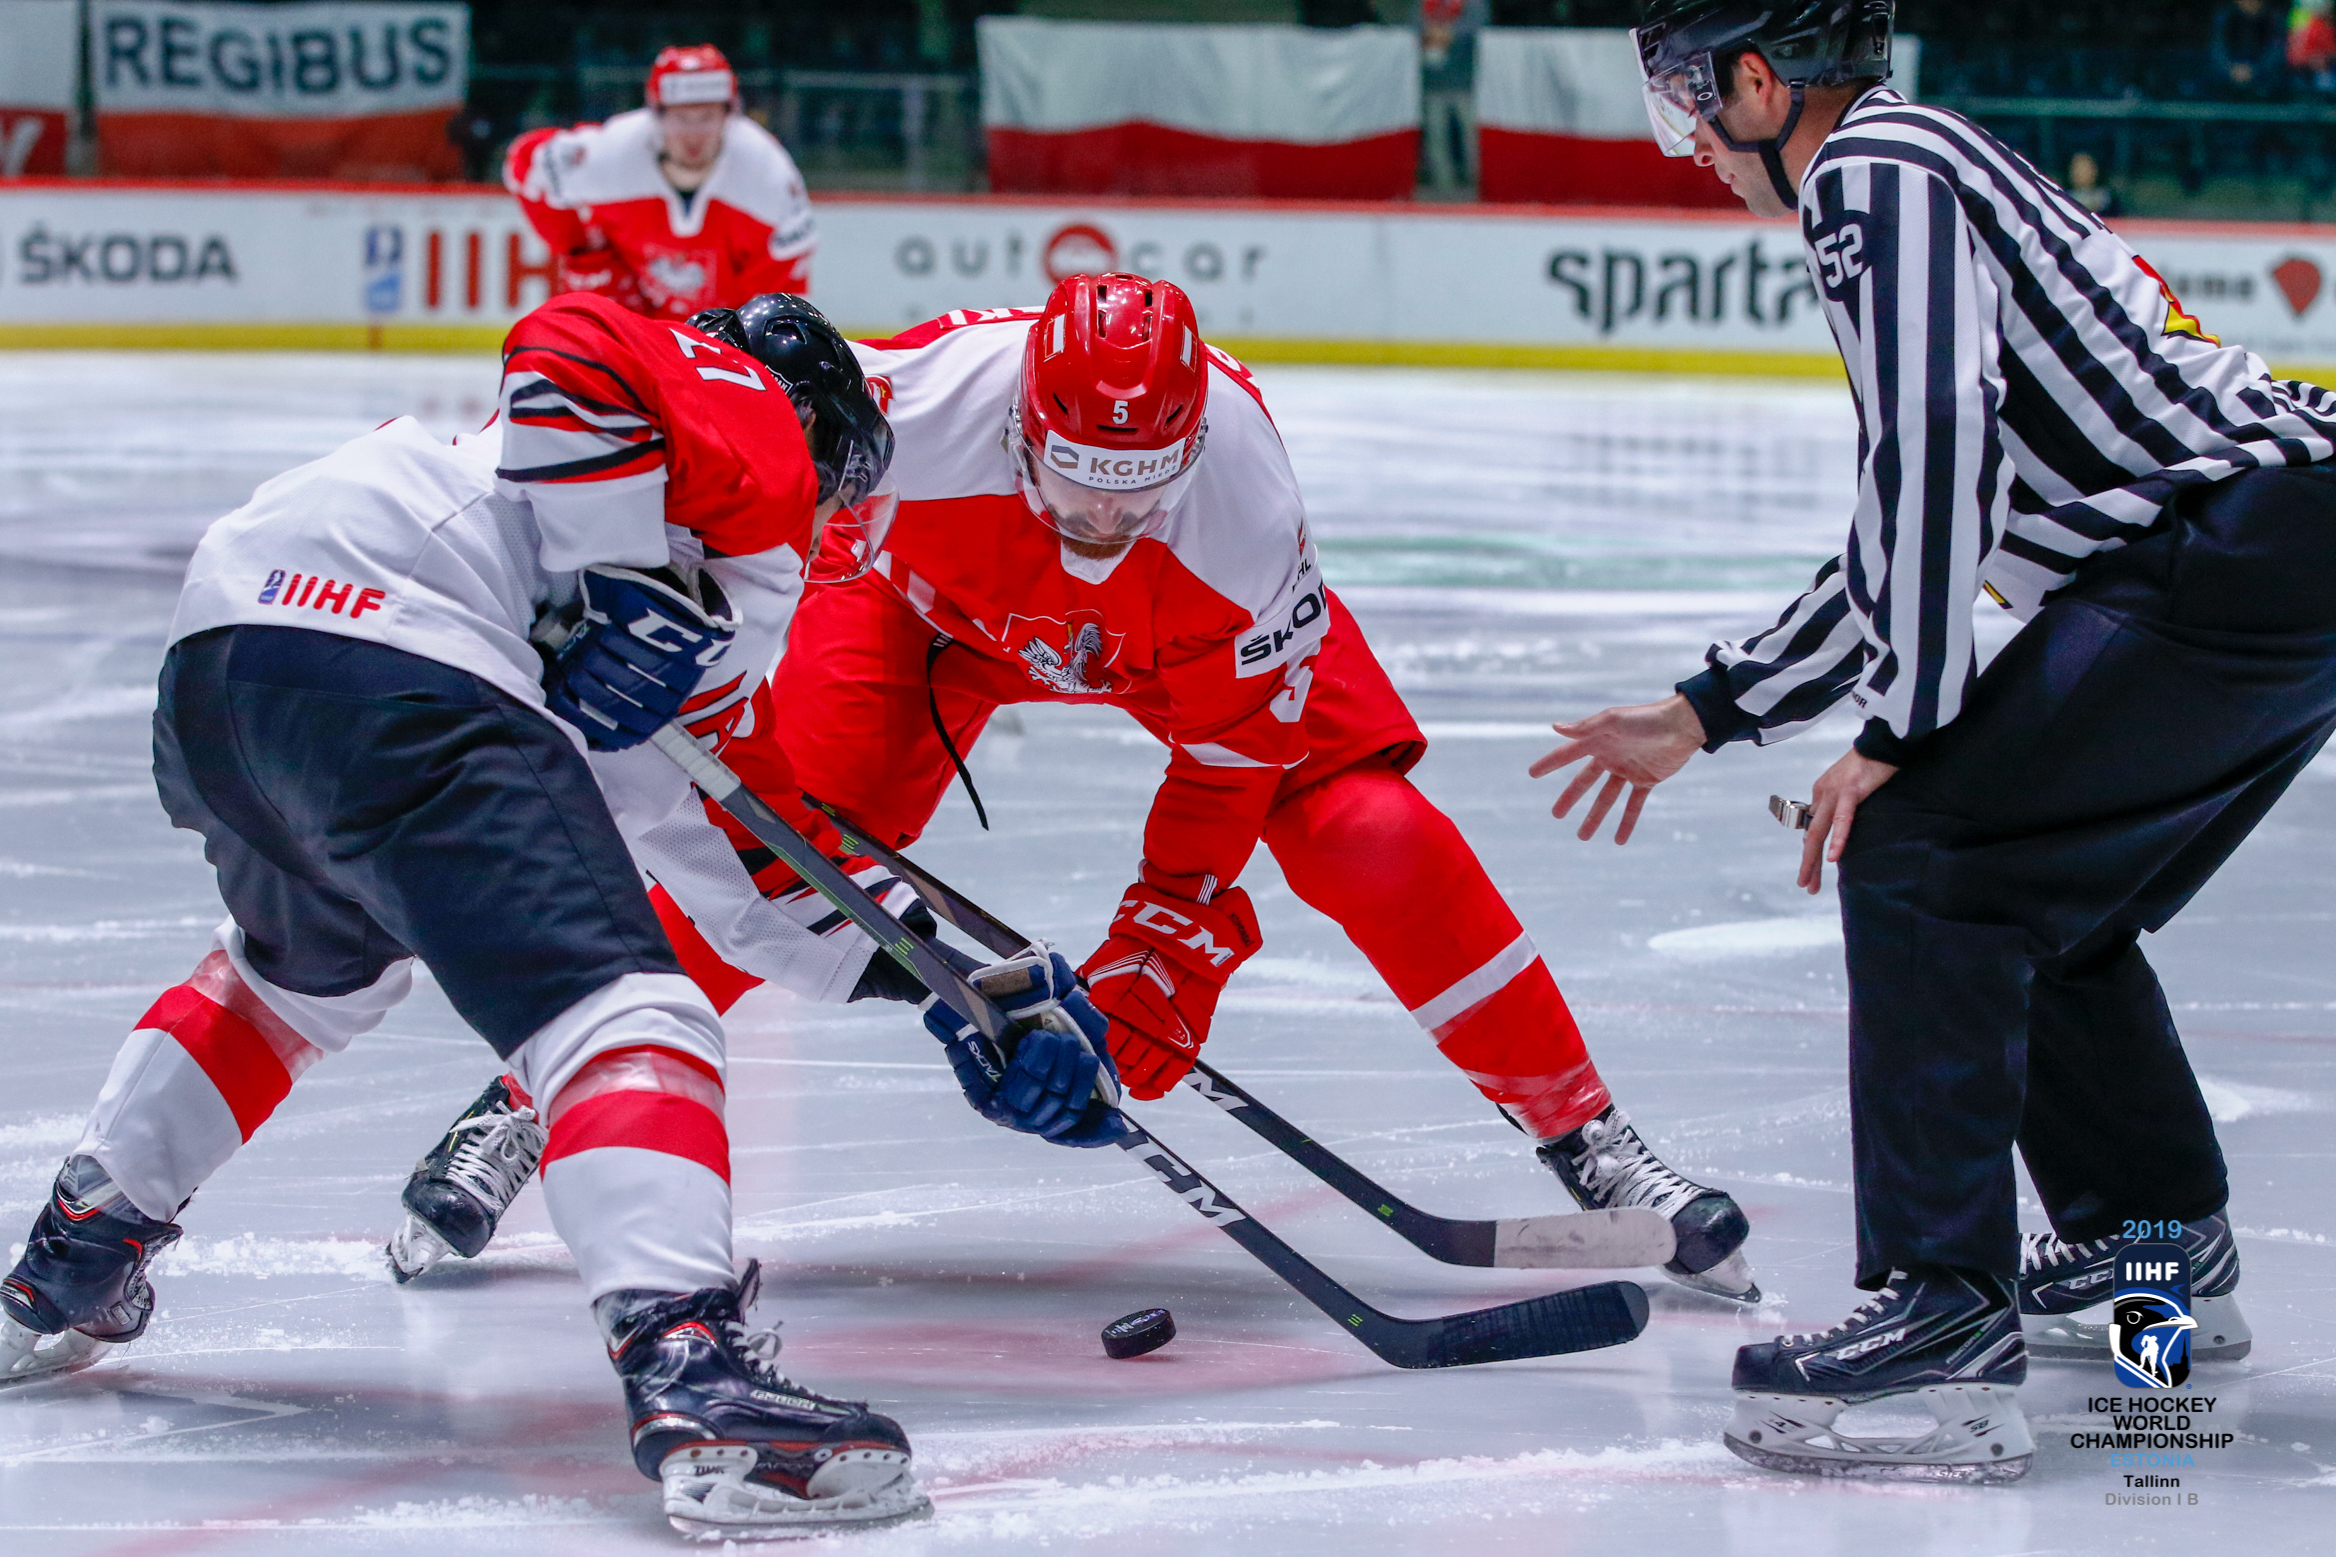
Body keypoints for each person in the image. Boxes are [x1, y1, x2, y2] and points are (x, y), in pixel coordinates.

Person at [394, 273, 1760, 1306]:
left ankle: (1592, 1141)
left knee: (1372, 832)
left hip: (1192, 642)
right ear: (1022, 421)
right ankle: (528, 1097)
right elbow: (707, 418)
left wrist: (1174, 932)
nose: (1101, 520)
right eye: (1075, 482)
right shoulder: (914, 403)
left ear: (1186, 449)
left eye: (1135, 491)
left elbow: (1235, 753)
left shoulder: (1244, 510)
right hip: (931, 618)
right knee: (773, 853)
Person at [0, 291, 970, 1539]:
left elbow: (751, 867)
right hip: (399, 656)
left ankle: (69, 1263)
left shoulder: (634, 558)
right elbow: (570, 340)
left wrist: (952, 980)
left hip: (227, 663)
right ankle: (697, 1379)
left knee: (301, 980)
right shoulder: (745, 446)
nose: (830, 524)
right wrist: (625, 578)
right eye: (837, 490)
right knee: (630, 1013)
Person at [1538, 0, 2336, 1480]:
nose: (1694, 148)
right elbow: (1920, 505)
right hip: (2279, 545)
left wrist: (1900, 729)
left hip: (2235, 550)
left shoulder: (1870, 173)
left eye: (1688, 108)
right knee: (2053, 895)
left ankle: (1939, 1323)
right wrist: (1712, 708)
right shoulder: (1925, 159)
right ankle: (2152, 1254)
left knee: (1921, 853)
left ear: (1758, 81)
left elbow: (1933, 447)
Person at [505, 45, 817, 321]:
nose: (694, 135)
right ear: (656, 113)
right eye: (682, 117)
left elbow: (780, 299)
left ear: (729, 114)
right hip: (633, 317)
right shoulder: (614, 152)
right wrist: (580, 248)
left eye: (707, 116)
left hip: (725, 335)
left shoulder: (769, 175)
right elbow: (525, 162)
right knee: (590, 297)